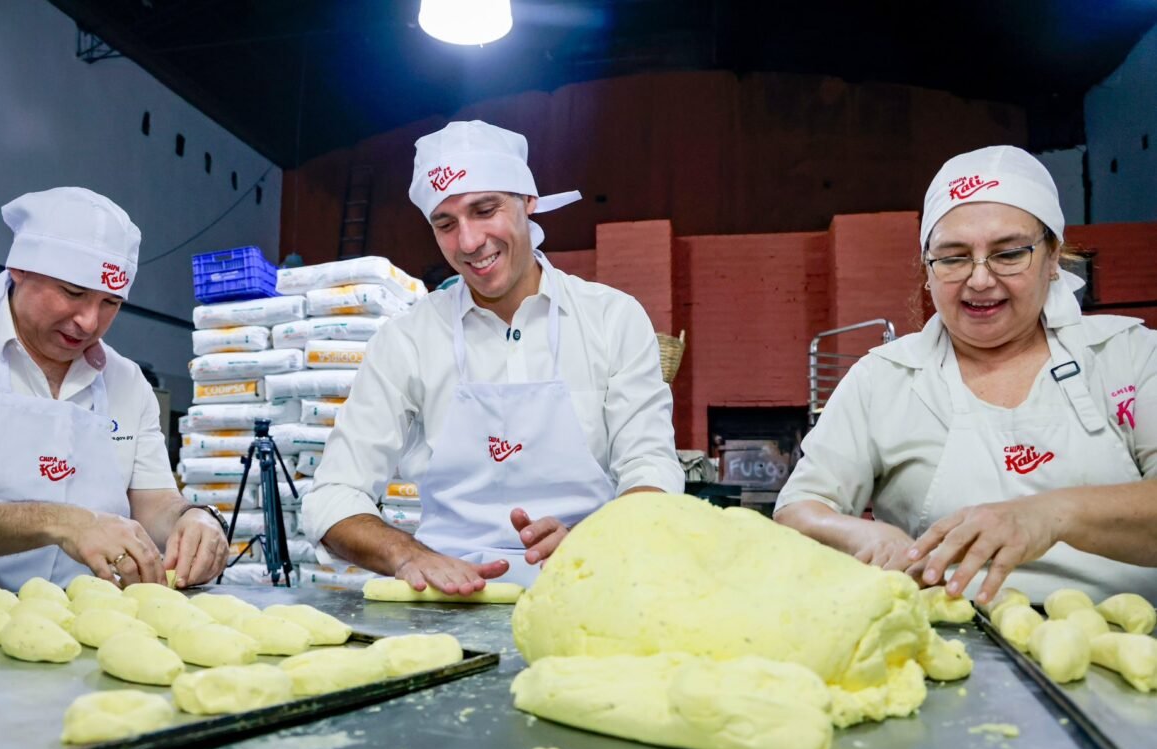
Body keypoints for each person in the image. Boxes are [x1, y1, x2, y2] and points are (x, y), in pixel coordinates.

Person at [302, 120, 682, 593]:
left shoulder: (611, 319)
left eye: (485, 210)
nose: (469, 242)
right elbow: (334, 494)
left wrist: (598, 540)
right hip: (447, 601)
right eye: (446, 223)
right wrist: (410, 555)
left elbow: (652, 467)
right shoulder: (407, 339)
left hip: (591, 584)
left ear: (528, 201)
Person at [775, 146, 1157, 604]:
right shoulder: (883, 379)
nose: (979, 280)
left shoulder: (1129, 355)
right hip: (951, 643)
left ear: (1053, 257)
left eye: (1009, 253)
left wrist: (1051, 515)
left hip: (1131, 641)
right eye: (954, 257)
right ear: (927, 269)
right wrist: (864, 536)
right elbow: (798, 510)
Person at [0, 187, 229, 599]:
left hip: (81, 624)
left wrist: (194, 518)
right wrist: (64, 522)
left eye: (110, 303)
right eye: (73, 293)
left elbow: (154, 503)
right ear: (19, 268)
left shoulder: (127, 383)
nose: (89, 322)